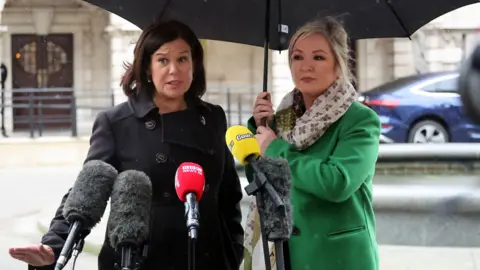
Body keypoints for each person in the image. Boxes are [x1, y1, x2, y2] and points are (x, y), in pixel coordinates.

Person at [9, 20, 244, 270]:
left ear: (194, 64)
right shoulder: (116, 122)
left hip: (206, 258)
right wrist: (54, 247)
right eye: (163, 60)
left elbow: (228, 195)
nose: (174, 70)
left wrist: (233, 250)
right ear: (147, 68)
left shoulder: (213, 117)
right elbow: (88, 189)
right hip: (139, 259)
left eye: (183, 59)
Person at [243, 16, 381, 270]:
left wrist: (274, 149)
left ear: (338, 65)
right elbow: (259, 180)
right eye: (297, 57)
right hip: (285, 256)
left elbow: (337, 183)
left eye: (318, 57)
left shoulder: (359, 120)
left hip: (338, 258)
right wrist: (259, 127)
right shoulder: (283, 119)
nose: (306, 66)